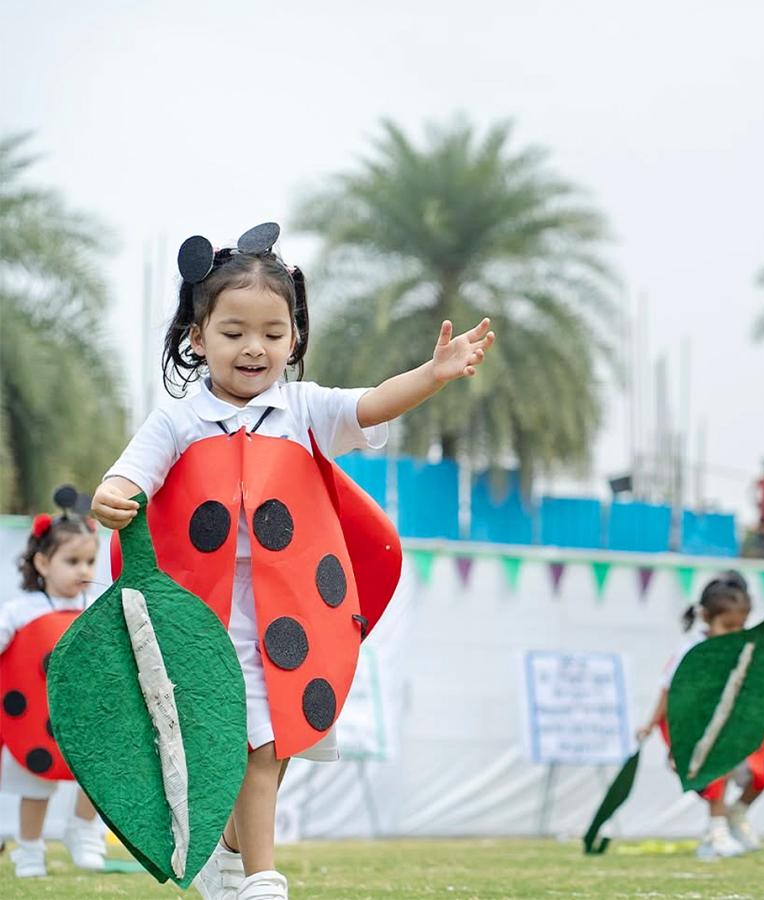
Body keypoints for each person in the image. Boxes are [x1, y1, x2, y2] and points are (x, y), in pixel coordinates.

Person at [91, 224, 494, 900]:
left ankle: (227, 855)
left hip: (294, 607)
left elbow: (370, 403)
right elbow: (131, 477)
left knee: (274, 747)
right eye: (234, 331)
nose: (255, 347)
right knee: (250, 744)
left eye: (274, 333)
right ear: (198, 336)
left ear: (294, 340)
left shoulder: (305, 410)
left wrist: (432, 374)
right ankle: (262, 878)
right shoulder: (178, 421)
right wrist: (113, 495)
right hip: (206, 613)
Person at [636, 572, 764, 859]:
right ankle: (716, 830)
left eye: (740, 626)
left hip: (738, 723)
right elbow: (669, 691)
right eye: (727, 626)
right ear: (706, 617)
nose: (735, 632)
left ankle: (736, 812)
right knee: (719, 767)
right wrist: (649, 725)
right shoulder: (691, 651)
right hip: (702, 728)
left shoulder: (744, 649)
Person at [1, 497, 107, 878]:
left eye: (90, 562)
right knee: (35, 784)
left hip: (86, 715)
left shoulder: (96, 607)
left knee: (100, 771)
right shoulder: (22, 610)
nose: (83, 570)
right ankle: (29, 850)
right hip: (34, 719)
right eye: (72, 561)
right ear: (43, 563)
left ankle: (83, 829)